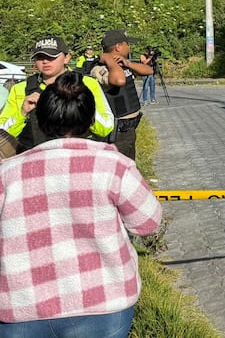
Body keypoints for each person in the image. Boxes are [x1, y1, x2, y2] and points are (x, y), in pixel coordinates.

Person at [0, 72, 162, 336]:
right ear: (90, 120)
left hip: (22, 307)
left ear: (40, 119)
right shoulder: (114, 166)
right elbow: (147, 223)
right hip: (103, 304)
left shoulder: (7, 173)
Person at [0, 36, 114, 157]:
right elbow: (2, 133)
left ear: (67, 58)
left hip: (78, 156)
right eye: (40, 57)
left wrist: (84, 107)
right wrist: (22, 113)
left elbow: (106, 128)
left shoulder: (87, 84)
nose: (45, 61)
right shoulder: (20, 89)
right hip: (34, 158)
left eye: (51, 57)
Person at [91, 30, 154, 160]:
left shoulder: (122, 64)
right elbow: (119, 80)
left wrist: (128, 63)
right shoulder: (101, 68)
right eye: (127, 44)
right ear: (118, 46)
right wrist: (108, 59)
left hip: (128, 130)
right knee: (119, 169)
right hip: (116, 133)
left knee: (129, 167)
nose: (129, 47)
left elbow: (149, 71)